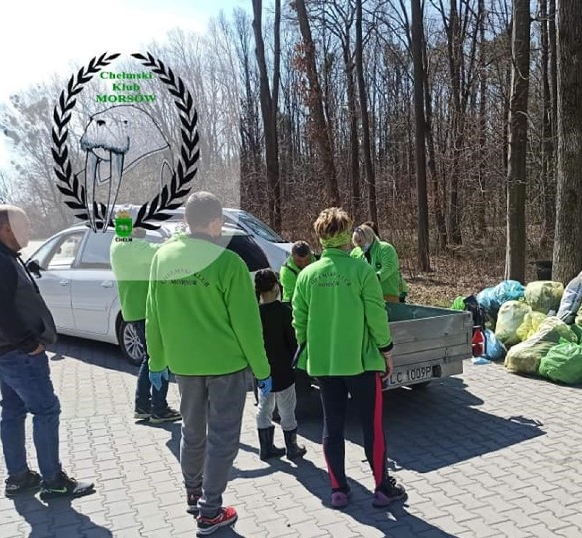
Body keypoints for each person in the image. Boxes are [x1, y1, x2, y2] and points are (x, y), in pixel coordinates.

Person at [145, 192, 272, 535]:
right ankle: (211, 510)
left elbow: (152, 316)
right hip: (225, 366)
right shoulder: (228, 263)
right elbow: (248, 326)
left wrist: (156, 361)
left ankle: (193, 492)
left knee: (192, 431)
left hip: (184, 366)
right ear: (215, 222)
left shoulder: (162, 257)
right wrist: (263, 370)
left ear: (187, 220)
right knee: (223, 438)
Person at [0, 206, 94, 499]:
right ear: (6, 228)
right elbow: (1, 310)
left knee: (12, 410)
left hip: (4, 352)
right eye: (24, 223)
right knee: (46, 410)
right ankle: (53, 480)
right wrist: (29, 343)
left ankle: (19, 476)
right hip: (18, 353)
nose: (29, 228)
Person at [292, 207, 407, 509]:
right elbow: (376, 316)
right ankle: (382, 487)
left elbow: (299, 321)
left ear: (320, 238)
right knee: (372, 426)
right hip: (362, 362)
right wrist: (386, 350)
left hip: (325, 365)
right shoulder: (361, 271)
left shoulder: (307, 275)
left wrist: (309, 347)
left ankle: (338, 489)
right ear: (347, 236)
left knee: (333, 426)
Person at [109, 223, 181, 424]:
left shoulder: (119, 243)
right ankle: (159, 409)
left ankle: (143, 406)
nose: (144, 228)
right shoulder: (129, 246)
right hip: (143, 310)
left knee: (150, 358)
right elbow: (161, 251)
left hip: (136, 309)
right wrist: (178, 236)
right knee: (158, 358)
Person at [254, 269, 307, 461]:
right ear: (277, 286)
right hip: (284, 368)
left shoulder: (254, 314)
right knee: (287, 407)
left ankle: (266, 448)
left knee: (264, 406)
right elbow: (293, 342)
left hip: (262, 368)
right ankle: (291, 447)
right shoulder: (285, 312)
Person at [351, 223, 404, 303]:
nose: (359, 245)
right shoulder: (356, 253)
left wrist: (374, 278)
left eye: (360, 241)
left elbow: (389, 267)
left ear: (368, 237)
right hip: (367, 296)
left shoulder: (385, 248)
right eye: (356, 242)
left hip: (388, 294)